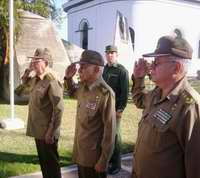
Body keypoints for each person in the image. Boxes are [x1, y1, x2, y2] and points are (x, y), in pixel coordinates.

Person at [131, 35, 200, 178]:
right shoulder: (156, 93)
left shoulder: (190, 106)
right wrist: (138, 78)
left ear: (176, 67)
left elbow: (196, 167)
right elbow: (138, 100)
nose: (151, 67)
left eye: (156, 63)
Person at [64, 50, 116, 178]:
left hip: (94, 158)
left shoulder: (105, 93)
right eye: (80, 66)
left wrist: (103, 160)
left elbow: (110, 132)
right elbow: (72, 93)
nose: (80, 70)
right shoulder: (83, 87)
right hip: (82, 152)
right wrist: (68, 78)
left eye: (84, 67)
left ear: (97, 70)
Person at [16, 48, 64, 178]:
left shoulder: (52, 80)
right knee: (44, 164)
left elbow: (58, 108)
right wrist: (25, 78)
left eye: (37, 61)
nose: (33, 63)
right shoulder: (35, 79)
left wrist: (51, 131)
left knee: (51, 165)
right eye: (33, 60)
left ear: (46, 63)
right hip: (38, 130)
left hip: (47, 131)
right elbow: (18, 93)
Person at [102, 45, 129, 175]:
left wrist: (120, 109)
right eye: (107, 53)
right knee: (106, 135)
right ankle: (107, 159)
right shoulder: (105, 69)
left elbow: (124, 92)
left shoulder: (122, 71)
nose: (110, 55)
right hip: (104, 108)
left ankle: (116, 164)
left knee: (116, 136)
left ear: (116, 54)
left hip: (115, 109)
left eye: (112, 53)